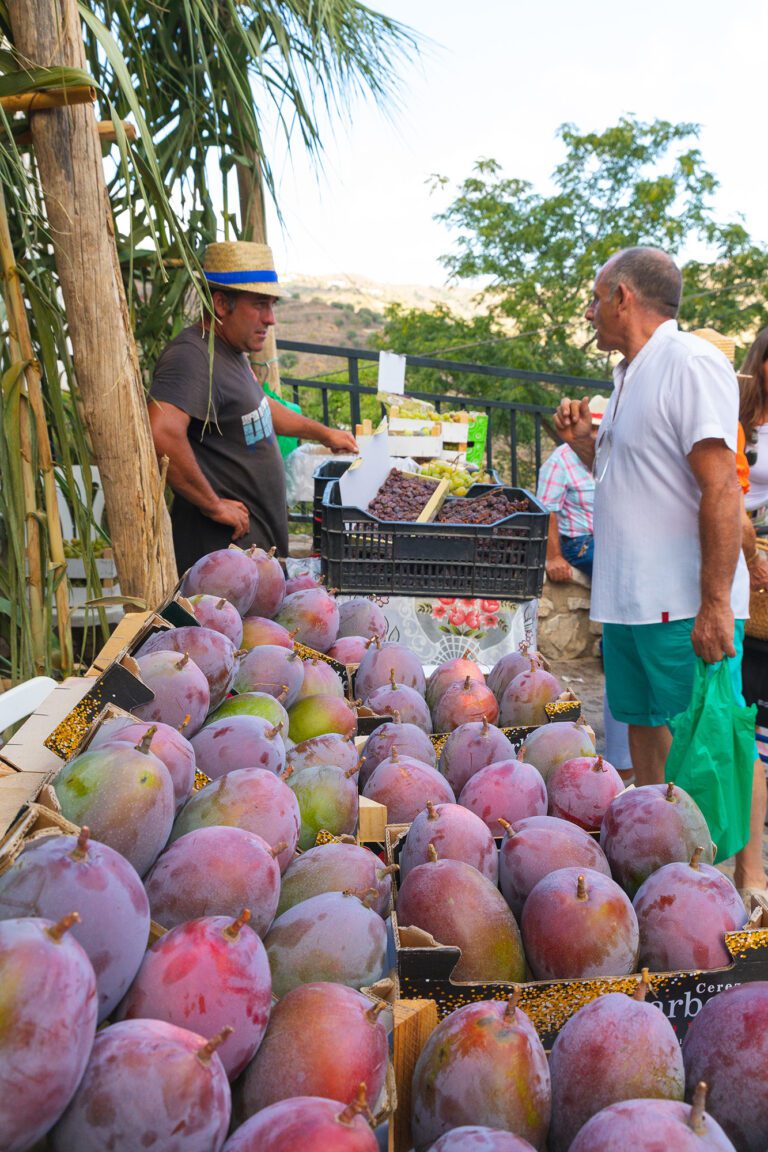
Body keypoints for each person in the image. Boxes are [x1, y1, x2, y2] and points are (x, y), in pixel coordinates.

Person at [554, 247, 750, 798]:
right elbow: (634, 476)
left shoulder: (688, 362)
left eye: (595, 301)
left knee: (702, 742)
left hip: (683, 602)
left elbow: (720, 486)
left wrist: (714, 604)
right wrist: (586, 445)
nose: (590, 314)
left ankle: (718, 876)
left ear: (623, 298)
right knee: (642, 727)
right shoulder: (625, 377)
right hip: (628, 601)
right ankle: (654, 845)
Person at [148, 240, 357, 572]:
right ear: (220, 303)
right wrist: (214, 505)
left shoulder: (231, 353)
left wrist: (324, 433)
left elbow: (262, 410)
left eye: (272, 305)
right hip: (221, 570)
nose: (270, 318)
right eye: (260, 305)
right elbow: (160, 432)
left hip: (251, 562)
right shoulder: (192, 356)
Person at [537, 395, 607, 584]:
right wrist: (553, 557)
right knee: (615, 568)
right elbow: (546, 510)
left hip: (610, 539)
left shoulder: (612, 458)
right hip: (579, 542)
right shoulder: (561, 459)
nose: (594, 434)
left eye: (600, 429)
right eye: (591, 427)